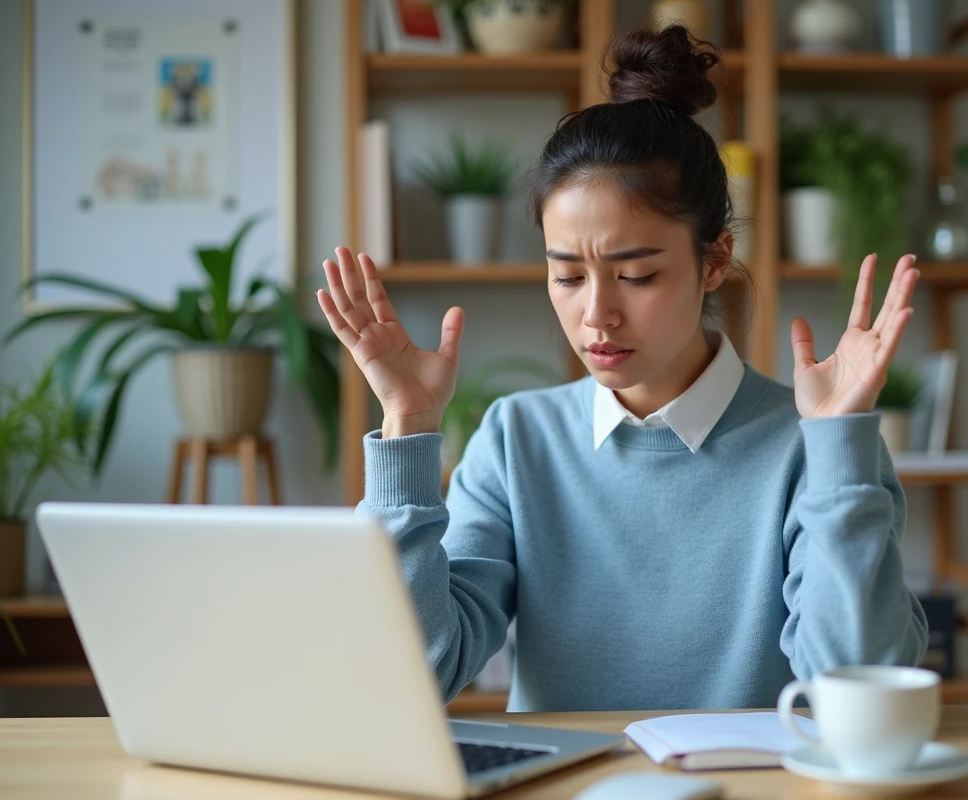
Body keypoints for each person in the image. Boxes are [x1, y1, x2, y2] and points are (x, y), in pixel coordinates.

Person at [317, 25, 928, 712]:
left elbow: (856, 684)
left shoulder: (810, 444)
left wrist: (841, 447)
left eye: (636, 274)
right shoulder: (518, 438)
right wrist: (406, 430)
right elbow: (417, 674)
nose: (596, 314)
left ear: (715, 260)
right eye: (568, 275)